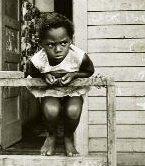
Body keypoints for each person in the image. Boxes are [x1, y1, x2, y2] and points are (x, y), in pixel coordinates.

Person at [25, 12, 95, 157]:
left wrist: (75, 74)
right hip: (51, 91)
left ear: (71, 40)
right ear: (41, 44)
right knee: (51, 110)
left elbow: (89, 72)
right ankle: (51, 136)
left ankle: (68, 138)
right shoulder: (38, 60)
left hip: (72, 90)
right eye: (51, 44)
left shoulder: (79, 56)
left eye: (64, 43)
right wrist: (44, 76)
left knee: (73, 110)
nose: (58, 49)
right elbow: (32, 74)